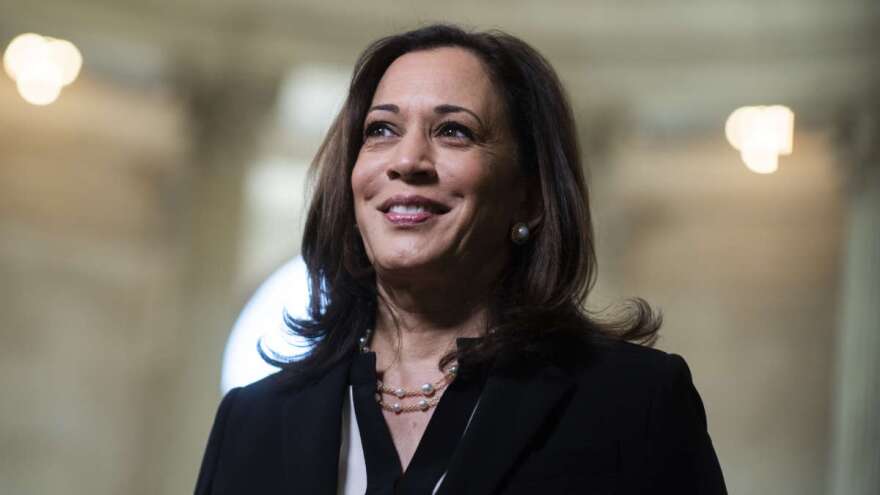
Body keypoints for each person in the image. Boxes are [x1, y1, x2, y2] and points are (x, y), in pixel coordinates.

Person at [194, 24, 727, 495]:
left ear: (531, 197)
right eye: (381, 130)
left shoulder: (633, 402)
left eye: (454, 131)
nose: (407, 160)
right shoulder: (251, 421)